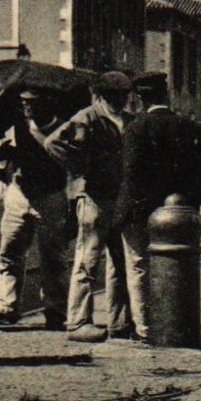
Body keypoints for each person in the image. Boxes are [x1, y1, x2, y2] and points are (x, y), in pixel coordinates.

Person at [110, 72, 201, 344]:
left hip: (138, 212)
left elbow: (132, 174)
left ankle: (145, 329)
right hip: (177, 212)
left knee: (139, 268)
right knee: (178, 265)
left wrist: (145, 208)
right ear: (166, 94)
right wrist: (189, 204)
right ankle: (173, 324)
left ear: (140, 98)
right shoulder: (189, 127)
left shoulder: (136, 127)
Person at [50, 71, 133, 342]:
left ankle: (119, 322)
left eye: (122, 95)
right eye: (112, 96)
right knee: (87, 261)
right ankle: (78, 321)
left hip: (118, 198)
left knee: (119, 263)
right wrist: (80, 167)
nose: (118, 100)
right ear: (99, 96)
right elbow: (54, 144)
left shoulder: (127, 121)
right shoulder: (87, 117)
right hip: (93, 199)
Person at [0, 89, 71, 329]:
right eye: (24, 102)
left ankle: (55, 310)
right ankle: (7, 305)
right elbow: (1, 155)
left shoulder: (64, 128)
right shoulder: (16, 127)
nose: (27, 107)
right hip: (19, 193)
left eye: (32, 103)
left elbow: (72, 163)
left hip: (51, 196)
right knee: (10, 251)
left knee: (53, 257)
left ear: (47, 103)